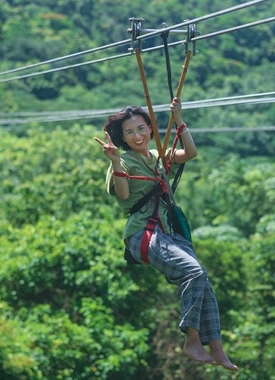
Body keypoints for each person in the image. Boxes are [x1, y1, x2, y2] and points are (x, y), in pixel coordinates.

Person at [94, 98, 238, 371]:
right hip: (143, 234)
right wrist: (114, 162)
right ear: (121, 138)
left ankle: (216, 347)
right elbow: (123, 195)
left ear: (150, 128)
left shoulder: (158, 155)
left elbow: (190, 153)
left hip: (168, 231)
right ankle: (192, 339)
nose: (137, 136)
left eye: (141, 128)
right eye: (129, 132)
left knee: (203, 280)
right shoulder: (122, 161)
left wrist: (180, 120)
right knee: (193, 272)